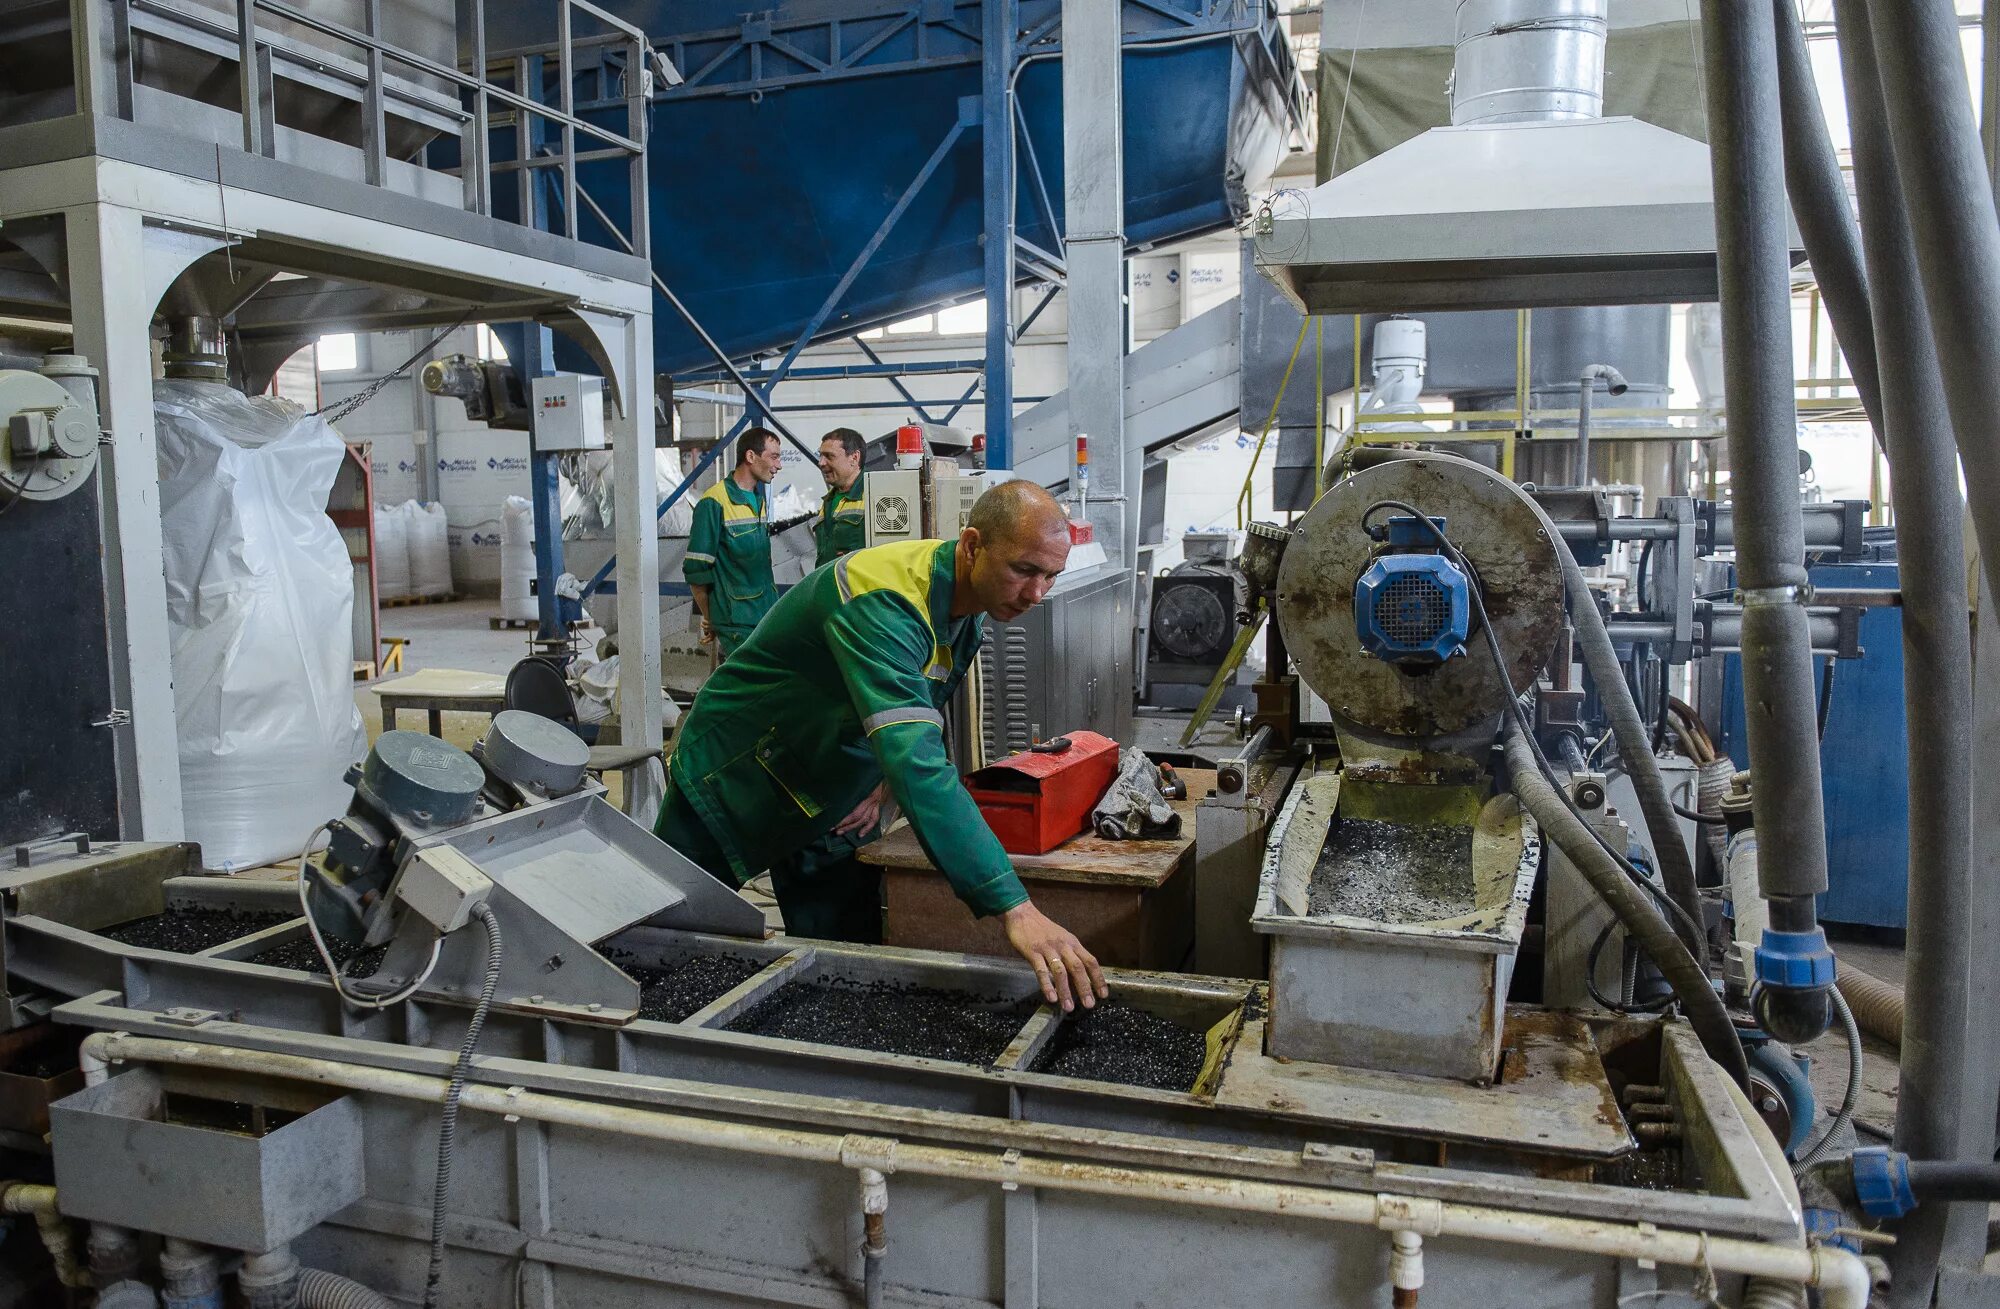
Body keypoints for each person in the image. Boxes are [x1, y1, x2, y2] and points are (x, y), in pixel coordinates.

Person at [655, 480, 1109, 1011]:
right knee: (665, 932)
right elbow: (920, 763)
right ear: (972, 544)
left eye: (1051, 575)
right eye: (1024, 570)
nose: (1036, 593)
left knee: (841, 959)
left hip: (830, 778)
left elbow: (920, 705)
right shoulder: (884, 599)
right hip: (737, 768)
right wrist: (1013, 906)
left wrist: (878, 781)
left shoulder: (970, 604)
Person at [684, 427, 782, 659]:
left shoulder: (758, 498)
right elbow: (697, 570)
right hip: (736, 625)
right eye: (774, 457)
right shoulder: (714, 502)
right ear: (750, 457)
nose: (779, 465)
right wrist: (711, 617)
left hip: (763, 616)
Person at [814, 427, 868, 566]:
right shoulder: (828, 501)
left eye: (829, 456)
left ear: (854, 458)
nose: (821, 463)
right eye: (820, 456)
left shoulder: (874, 495)